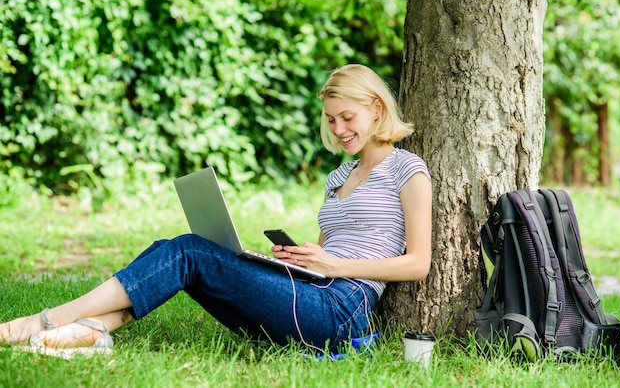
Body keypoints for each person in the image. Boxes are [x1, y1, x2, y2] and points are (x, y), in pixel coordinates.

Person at [0, 63, 432, 357]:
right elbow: (322, 258)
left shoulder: (406, 170)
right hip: (314, 293)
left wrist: (335, 265)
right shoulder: (338, 177)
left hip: (342, 312)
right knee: (173, 252)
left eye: (347, 117)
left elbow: (419, 263)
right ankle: (92, 329)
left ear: (376, 108)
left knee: (189, 252)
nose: (338, 130)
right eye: (330, 119)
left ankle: (43, 321)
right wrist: (300, 258)